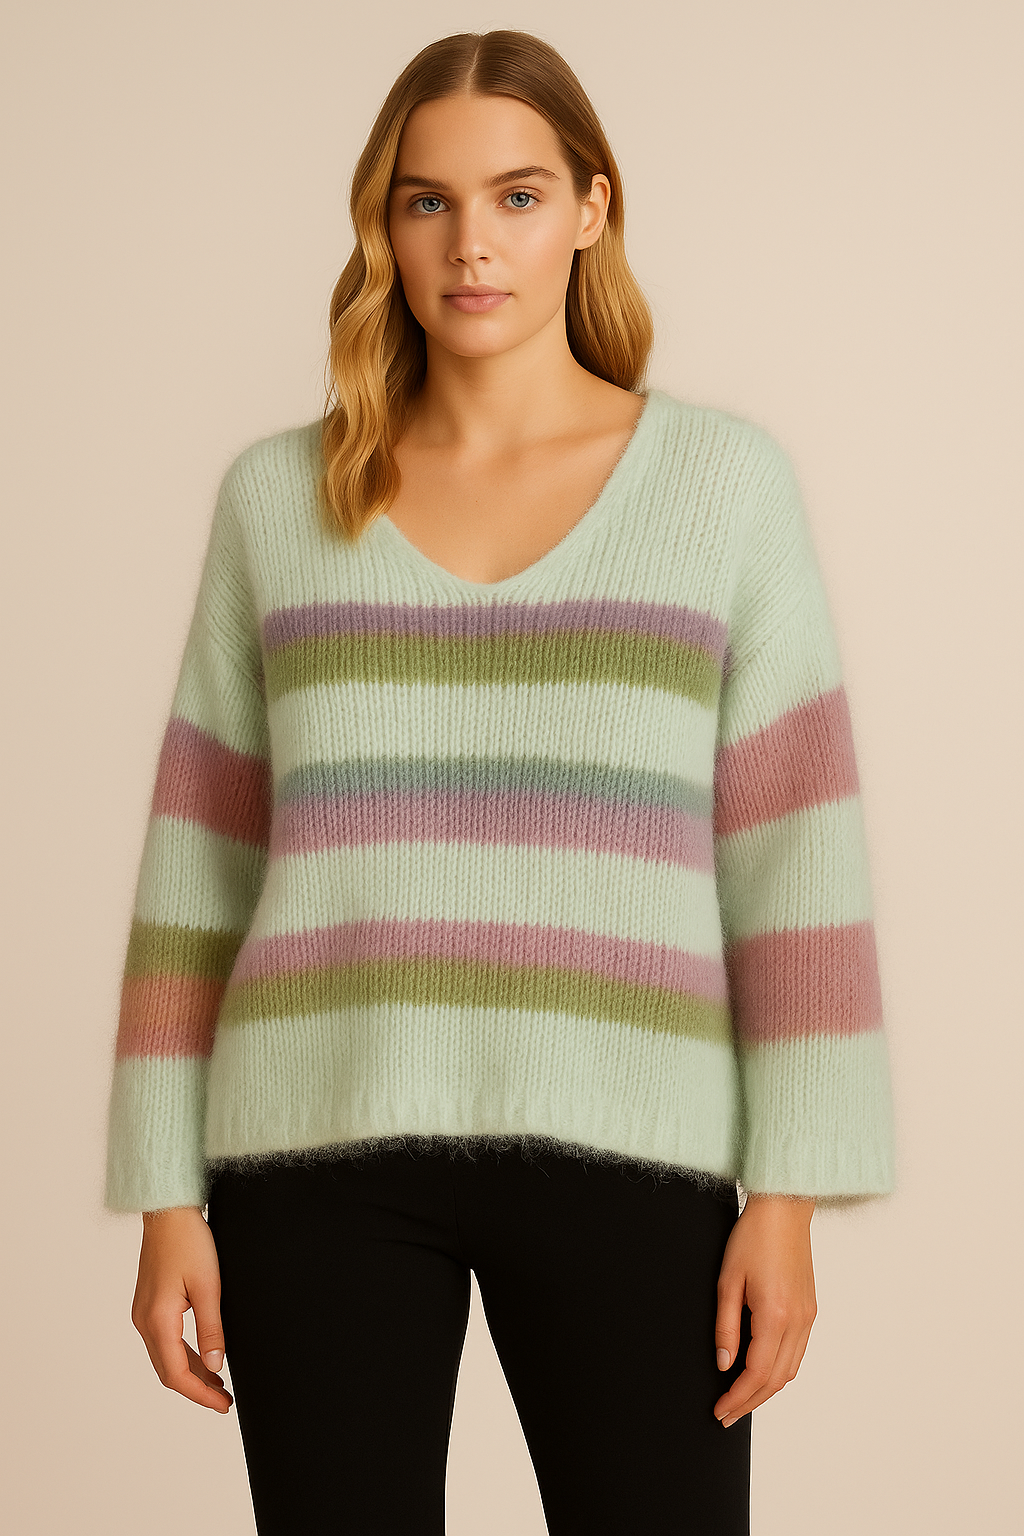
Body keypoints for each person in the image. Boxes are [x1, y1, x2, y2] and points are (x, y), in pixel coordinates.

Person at [104, 29, 896, 1536]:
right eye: (429, 201)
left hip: (638, 1145)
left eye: (518, 196)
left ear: (592, 208)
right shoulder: (281, 501)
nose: (471, 243)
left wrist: (786, 1198)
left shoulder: (722, 489)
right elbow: (199, 863)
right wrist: (165, 1196)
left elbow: (796, 858)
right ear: (384, 226)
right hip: (313, 1153)